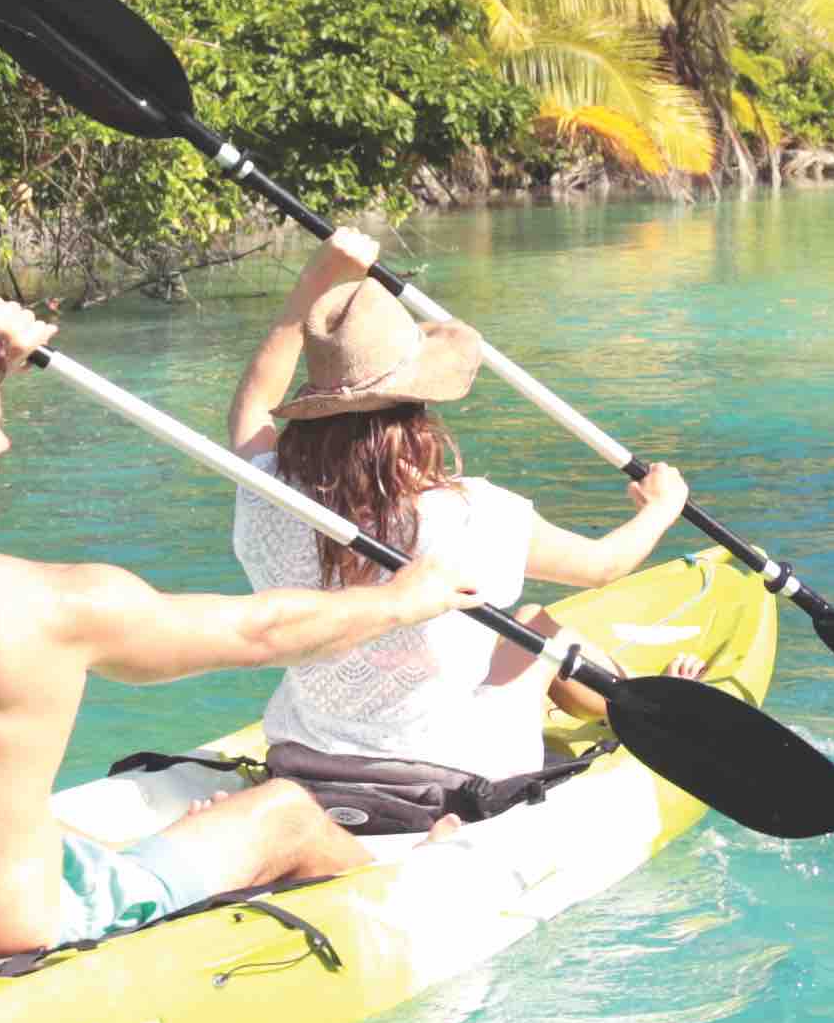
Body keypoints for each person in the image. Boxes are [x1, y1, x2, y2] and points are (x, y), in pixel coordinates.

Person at [0, 295, 477, 972]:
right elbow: (261, 630)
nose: (1, 445)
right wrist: (403, 600)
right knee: (283, 812)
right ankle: (409, 892)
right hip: (23, 934)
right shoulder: (47, 607)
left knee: (57, 828)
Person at [220, 228, 691, 831]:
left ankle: (628, 699)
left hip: (305, 762)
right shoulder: (471, 513)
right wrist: (660, 507)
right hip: (449, 777)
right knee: (538, 627)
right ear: (418, 411)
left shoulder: (265, 491)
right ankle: (647, 711)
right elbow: (603, 564)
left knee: (514, 630)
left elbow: (253, 401)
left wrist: (317, 278)